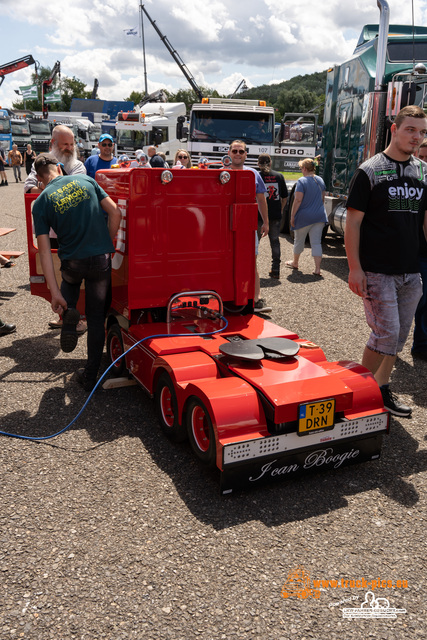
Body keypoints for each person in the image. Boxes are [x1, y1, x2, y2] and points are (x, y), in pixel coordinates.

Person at [345, 105, 427, 417]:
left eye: (422, 132)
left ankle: (380, 388)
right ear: (394, 129)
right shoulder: (370, 170)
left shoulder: (422, 171)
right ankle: (355, 391)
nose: (417, 137)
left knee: (399, 336)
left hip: (411, 271)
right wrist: (354, 267)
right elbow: (352, 223)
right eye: (410, 130)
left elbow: (424, 221)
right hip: (377, 270)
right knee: (386, 332)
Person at [31, 153, 121, 391]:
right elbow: (116, 213)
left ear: (40, 179)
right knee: (95, 318)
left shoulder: (41, 201)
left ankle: (69, 312)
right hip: (100, 260)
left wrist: (53, 293)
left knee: (69, 286)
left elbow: (44, 250)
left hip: (72, 263)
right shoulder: (87, 181)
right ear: (59, 167)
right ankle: (90, 376)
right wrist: (105, 242)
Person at [228, 140, 271, 313]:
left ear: (246, 154)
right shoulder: (221, 173)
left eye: (241, 151)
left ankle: (256, 298)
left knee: (251, 261)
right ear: (229, 153)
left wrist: (266, 222)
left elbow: (261, 199)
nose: (238, 154)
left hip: (246, 225)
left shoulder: (254, 174)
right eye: (235, 151)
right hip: (223, 225)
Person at [286, 158, 327, 277]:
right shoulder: (320, 180)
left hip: (304, 216)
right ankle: (317, 269)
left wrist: (292, 215)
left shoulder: (301, 181)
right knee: (316, 242)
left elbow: (298, 200)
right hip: (319, 216)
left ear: (304, 168)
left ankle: (295, 262)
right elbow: (322, 199)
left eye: (301, 168)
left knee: (299, 240)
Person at [24, 124, 86, 194]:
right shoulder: (40, 162)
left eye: (71, 144)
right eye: (65, 144)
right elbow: (28, 188)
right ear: (53, 142)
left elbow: (73, 190)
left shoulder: (78, 166)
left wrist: (41, 185)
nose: (69, 148)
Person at [256, 153, 288, 279]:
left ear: (258, 164)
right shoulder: (279, 176)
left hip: (258, 215)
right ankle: (276, 270)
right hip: (275, 214)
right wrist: (280, 209)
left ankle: (252, 269)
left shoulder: (256, 176)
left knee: (255, 242)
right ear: (270, 162)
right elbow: (284, 197)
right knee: (275, 242)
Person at [411, 138, 427, 361]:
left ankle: (421, 344)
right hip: (415, 254)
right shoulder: (411, 185)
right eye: (420, 158)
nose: (423, 163)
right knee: (420, 300)